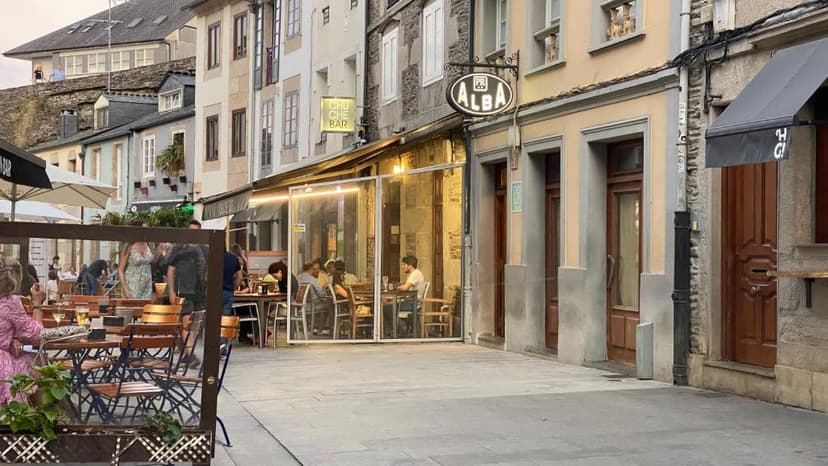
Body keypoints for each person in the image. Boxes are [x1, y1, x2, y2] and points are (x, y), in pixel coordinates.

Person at [0, 258, 44, 404]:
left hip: (8, 352)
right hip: (3, 364)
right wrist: (37, 304)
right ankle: (45, 415)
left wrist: (11, 338)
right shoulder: (9, 302)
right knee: (36, 356)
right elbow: (36, 335)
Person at [165, 220, 207, 315]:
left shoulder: (205, 249)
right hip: (183, 292)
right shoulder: (179, 249)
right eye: (191, 230)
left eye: (196, 231)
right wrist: (171, 291)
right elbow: (170, 270)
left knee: (198, 321)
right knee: (183, 320)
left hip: (200, 293)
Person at [383, 256, 425, 337]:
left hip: (412, 304)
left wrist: (397, 287)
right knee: (388, 306)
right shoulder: (415, 274)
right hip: (411, 302)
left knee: (385, 308)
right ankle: (393, 330)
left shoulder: (415, 274)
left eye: (404, 265)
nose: (402, 267)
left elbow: (405, 287)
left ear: (410, 265)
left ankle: (398, 328)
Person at [119, 228, 154, 300]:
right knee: (133, 308)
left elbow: (152, 262)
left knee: (145, 309)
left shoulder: (149, 244)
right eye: (144, 229)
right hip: (132, 285)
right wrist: (126, 291)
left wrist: (160, 251)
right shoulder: (129, 245)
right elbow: (120, 270)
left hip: (147, 286)